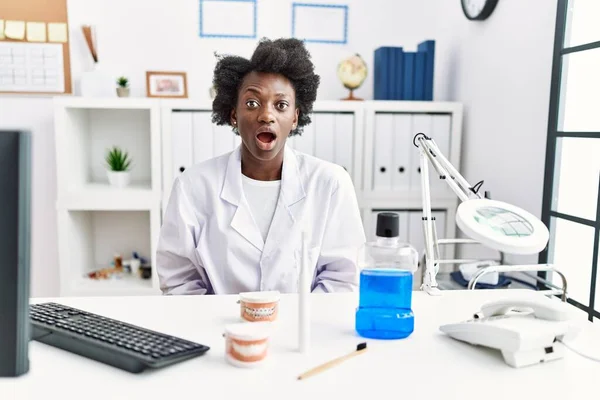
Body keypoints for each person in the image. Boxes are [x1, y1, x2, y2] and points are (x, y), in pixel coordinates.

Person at [156, 38, 366, 295]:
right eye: (252, 103)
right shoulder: (193, 186)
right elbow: (178, 279)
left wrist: (293, 325)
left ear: (295, 118)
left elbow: (343, 279)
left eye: (281, 105)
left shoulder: (330, 183)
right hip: (218, 332)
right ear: (234, 114)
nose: (266, 115)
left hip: (304, 331)